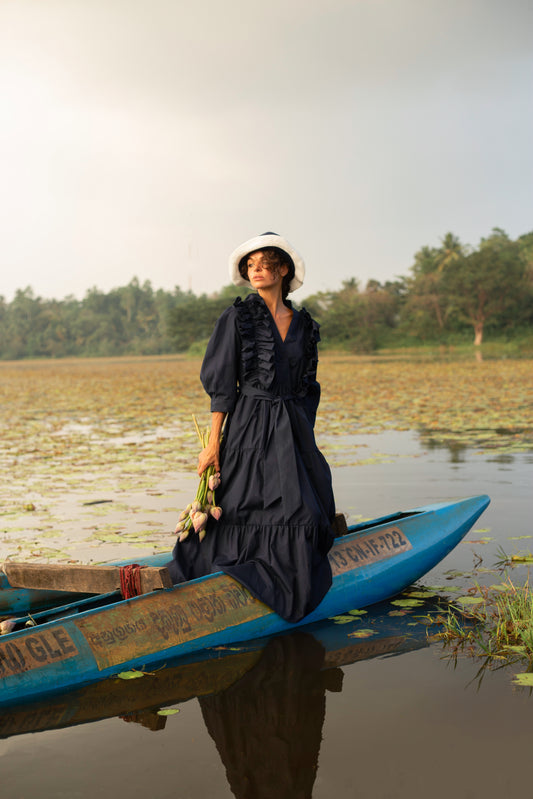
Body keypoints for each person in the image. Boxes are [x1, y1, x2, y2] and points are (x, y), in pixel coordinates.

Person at [167, 232, 335, 622]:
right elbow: (223, 387)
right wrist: (212, 445)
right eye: (250, 265)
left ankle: (289, 572)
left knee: (306, 511)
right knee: (242, 505)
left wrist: (301, 439)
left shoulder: (305, 325)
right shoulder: (237, 318)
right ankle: (224, 579)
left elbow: (308, 386)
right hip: (247, 426)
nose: (256, 270)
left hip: (292, 429)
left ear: (283, 270)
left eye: (264, 263)